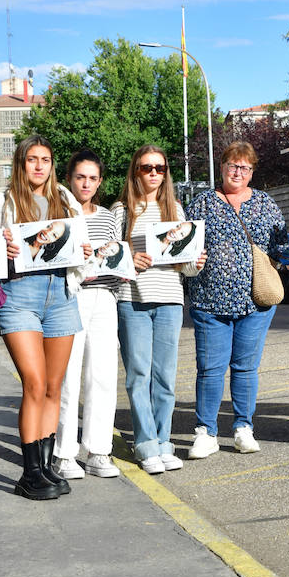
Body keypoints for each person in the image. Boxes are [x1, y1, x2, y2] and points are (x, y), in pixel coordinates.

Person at [0, 135, 91, 500]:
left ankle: (45, 467)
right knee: (33, 381)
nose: (39, 166)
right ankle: (28, 473)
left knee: (53, 388)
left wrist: (84, 249)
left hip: (61, 294)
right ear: (21, 162)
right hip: (20, 295)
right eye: (32, 159)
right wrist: (3, 247)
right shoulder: (1, 201)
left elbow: (80, 246)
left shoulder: (65, 197)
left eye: (45, 159)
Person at [185, 143, 287, 458]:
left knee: (245, 368)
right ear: (223, 167)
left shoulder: (266, 204)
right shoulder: (201, 203)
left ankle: (244, 427)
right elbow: (184, 249)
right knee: (210, 369)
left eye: (244, 167)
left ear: (252, 171)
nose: (237, 172)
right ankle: (206, 432)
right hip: (209, 301)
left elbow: (281, 244)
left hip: (254, 303)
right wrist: (192, 262)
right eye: (232, 165)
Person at [111, 145, 205, 472]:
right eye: (146, 167)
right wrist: (129, 260)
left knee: (165, 377)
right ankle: (146, 444)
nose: (153, 173)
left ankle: (164, 442)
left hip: (169, 300)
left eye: (160, 168)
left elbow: (186, 268)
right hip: (133, 299)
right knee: (139, 374)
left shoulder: (175, 209)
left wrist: (195, 261)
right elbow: (111, 262)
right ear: (135, 171)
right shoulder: (122, 211)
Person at [51, 151, 122, 482]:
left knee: (103, 376)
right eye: (81, 176)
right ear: (69, 178)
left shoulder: (109, 217)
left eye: (93, 178)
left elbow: (114, 256)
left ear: (100, 182)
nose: (87, 183)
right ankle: (64, 454)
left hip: (105, 297)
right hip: (72, 297)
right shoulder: (58, 213)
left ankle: (98, 450)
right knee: (69, 377)